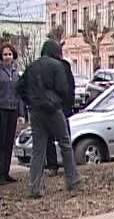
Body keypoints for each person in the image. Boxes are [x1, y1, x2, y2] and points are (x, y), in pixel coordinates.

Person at [15, 40, 80, 198]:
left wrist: (30, 101)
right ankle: (72, 181)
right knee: (65, 142)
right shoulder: (57, 65)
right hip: (53, 109)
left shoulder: (32, 66)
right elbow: (64, 89)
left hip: (35, 110)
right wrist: (57, 101)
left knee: (38, 149)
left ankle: (34, 187)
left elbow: (19, 87)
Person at [45, 56, 75, 176]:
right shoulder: (43, 67)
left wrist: (68, 106)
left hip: (62, 108)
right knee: (49, 138)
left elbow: (70, 87)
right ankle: (52, 166)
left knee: (65, 138)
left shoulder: (64, 66)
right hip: (48, 108)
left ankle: (69, 165)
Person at [0, 43, 24, 184]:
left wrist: (21, 113)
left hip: (13, 110)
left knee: (9, 142)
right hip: (1, 109)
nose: (8, 57)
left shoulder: (16, 73)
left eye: (9, 54)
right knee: (1, 143)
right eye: (5, 54)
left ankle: (6, 172)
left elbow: (19, 94)